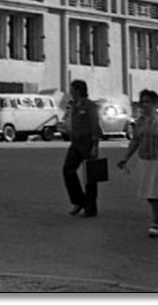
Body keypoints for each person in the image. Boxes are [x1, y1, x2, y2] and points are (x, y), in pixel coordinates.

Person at [118, 89, 158, 237]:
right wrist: (125, 158)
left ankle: (155, 222)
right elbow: (136, 141)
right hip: (145, 159)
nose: (144, 105)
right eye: (142, 102)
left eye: (148, 102)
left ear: (156, 104)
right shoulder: (140, 122)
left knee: (155, 192)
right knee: (148, 194)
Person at [62, 79, 101, 218]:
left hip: (88, 142)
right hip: (76, 143)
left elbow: (95, 126)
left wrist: (95, 146)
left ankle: (90, 208)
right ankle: (79, 200)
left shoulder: (90, 106)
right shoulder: (74, 106)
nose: (70, 93)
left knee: (90, 176)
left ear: (78, 91)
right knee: (68, 170)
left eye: (72, 90)